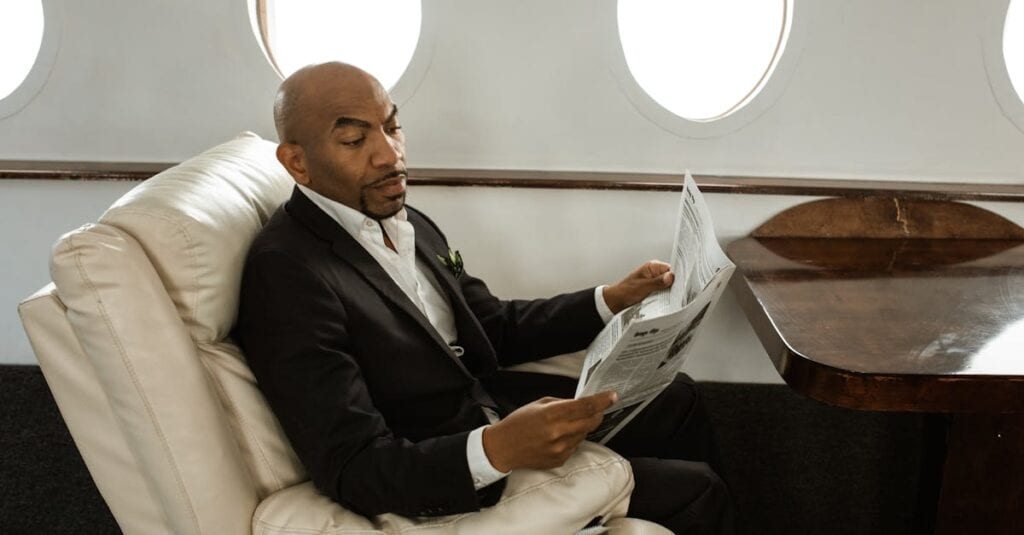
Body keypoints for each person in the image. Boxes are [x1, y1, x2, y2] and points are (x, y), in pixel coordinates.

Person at [235, 62, 734, 533]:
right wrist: (496, 449)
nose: (390, 154)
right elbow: (354, 464)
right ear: (297, 162)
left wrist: (611, 299)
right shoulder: (286, 274)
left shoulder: (414, 225)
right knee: (698, 491)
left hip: (492, 402)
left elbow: (491, 323)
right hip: (449, 458)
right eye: (354, 139)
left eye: (393, 127)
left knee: (681, 398)